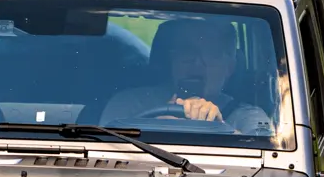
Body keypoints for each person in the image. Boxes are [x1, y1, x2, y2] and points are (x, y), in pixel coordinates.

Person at [99, 18, 272, 134]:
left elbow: (265, 162)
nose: (197, 62)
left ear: (229, 67)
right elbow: (105, 148)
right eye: (186, 51)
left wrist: (218, 127)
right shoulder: (129, 104)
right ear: (171, 60)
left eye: (211, 53)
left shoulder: (247, 117)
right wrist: (155, 126)